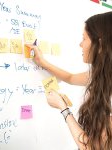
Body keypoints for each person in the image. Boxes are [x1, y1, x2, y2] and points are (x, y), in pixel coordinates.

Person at [27, 11, 112, 150]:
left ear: (100, 44)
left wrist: (63, 108)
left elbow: (91, 147)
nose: (80, 44)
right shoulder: (104, 74)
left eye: (84, 39)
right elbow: (70, 78)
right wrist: (43, 62)